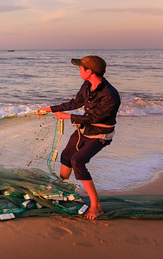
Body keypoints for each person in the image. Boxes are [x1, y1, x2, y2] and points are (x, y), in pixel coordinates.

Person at [37, 55, 120, 220]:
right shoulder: (87, 85)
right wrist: (51, 108)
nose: (79, 71)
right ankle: (63, 191)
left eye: (81, 68)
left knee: (78, 161)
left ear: (89, 71)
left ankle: (96, 206)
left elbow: (94, 118)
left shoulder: (110, 95)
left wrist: (67, 117)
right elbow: (76, 103)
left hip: (100, 134)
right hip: (84, 129)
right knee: (67, 156)